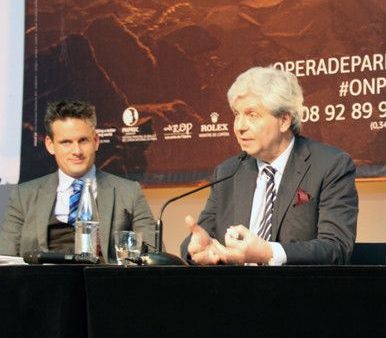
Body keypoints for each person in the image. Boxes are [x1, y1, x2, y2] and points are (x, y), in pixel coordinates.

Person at [180, 66, 358, 265]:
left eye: (252, 115)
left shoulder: (330, 165)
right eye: (237, 114)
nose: (240, 126)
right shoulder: (228, 172)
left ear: (283, 120)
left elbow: (336, 248)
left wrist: (268, 252)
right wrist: (195, 249)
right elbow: (202, 236)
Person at [0, 100, 156, 263]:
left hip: (102, 285)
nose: (77, 151)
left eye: (83, 140)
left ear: (95, 141)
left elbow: (154, 257)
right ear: (50, 145)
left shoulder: (129, 192)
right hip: (42, 285)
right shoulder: (23, 195)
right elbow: (5, 259)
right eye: (66, 142)